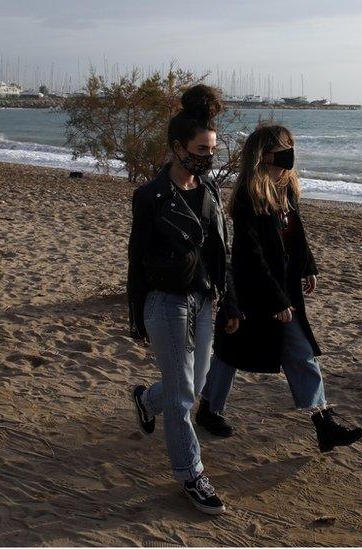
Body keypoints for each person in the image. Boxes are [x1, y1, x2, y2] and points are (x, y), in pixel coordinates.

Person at [197, 124, 362, 453]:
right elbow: (250, 255)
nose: (290, 154)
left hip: (282, 287)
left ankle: (322, 421)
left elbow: (296, 236)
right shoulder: (249, 197)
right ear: (264, 155)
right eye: (283, 148)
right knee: (232, 353)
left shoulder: (287, 190)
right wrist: (275, 299)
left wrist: (308, 267)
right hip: (254, 292)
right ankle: (209, 408)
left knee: (295, 353)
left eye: (291, 146)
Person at [127, 84, 240, 515]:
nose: (208, 158)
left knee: (192, 384)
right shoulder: (150, 197)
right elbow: (136, 259)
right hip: (165, 302)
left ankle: (144, 400)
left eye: (212, 150)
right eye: (200, 150)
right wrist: (136, 315)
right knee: (182, 399)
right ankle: (191, 474)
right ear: (177, 147)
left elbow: (220, 254)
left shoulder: (209, 194)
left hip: (204, 301)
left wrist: (227, 301)